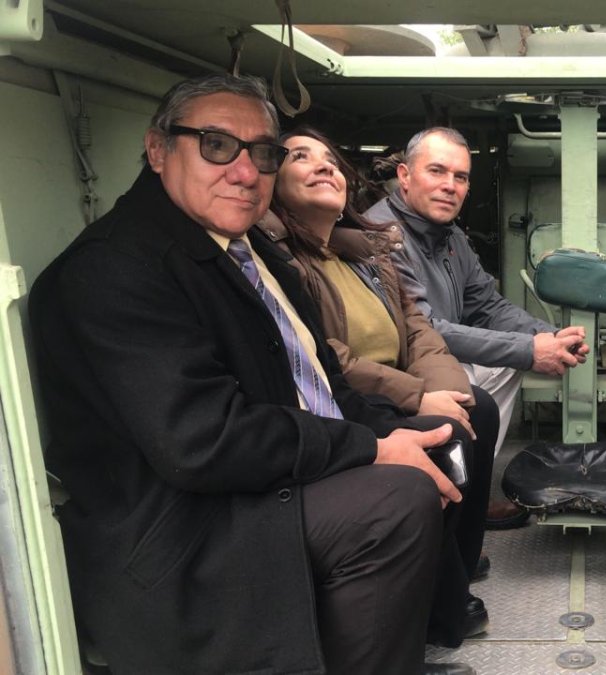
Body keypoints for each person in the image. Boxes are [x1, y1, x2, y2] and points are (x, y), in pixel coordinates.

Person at [30, 74, 474, 675]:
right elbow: (202, 441)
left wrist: (394, 432)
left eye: (263, 153)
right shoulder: (115, 268)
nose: (245, 172)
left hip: (254, 477)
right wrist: (372, 447)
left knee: (441, 442)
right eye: (217, 145)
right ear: (158, 149)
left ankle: (402, 647)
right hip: (180, 528)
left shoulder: (248, 249)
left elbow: (322, 385)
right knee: (396, 500)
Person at [261, 125, 500, 645]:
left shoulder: (365, 251)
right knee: (439, 432)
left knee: (475, 410)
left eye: (330, 159)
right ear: (272, 180)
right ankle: (438, 597)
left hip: (398, 387)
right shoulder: (280, 260)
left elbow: (417, 330)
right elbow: (326, 357)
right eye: (301, 157)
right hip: (347, 401)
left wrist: (449, 391)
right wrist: (420, 398)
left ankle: (452, 573)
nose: (323, 166)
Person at [364, 126, 590, 527]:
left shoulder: (450, 236)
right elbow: (424, 331)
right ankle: (444, 495)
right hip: (405, 370)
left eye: (461, 177)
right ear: (405, 176)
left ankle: (472, 486)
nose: (450, 186)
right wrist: (530, 350)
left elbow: (486, 305)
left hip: (441, 358)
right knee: (500, 365)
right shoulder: (381, 236)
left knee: (508, 361)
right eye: (437, 171)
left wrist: (546, 336)